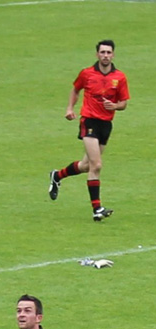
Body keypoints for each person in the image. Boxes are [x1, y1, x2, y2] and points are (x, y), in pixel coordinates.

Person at [48, 40, 130, 221]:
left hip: (106, 125)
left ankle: (57, 175)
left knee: (86, 166)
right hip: (89, 120)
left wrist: (114, 105)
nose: (106, 55)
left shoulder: (120, 77)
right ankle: (97, 209)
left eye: (109, 52)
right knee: (97, 165)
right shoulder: (87, 74)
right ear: (97, 55)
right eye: (102, 52)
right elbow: (76, 90)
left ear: (113, 55)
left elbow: (124, 103)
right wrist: (70, 108)